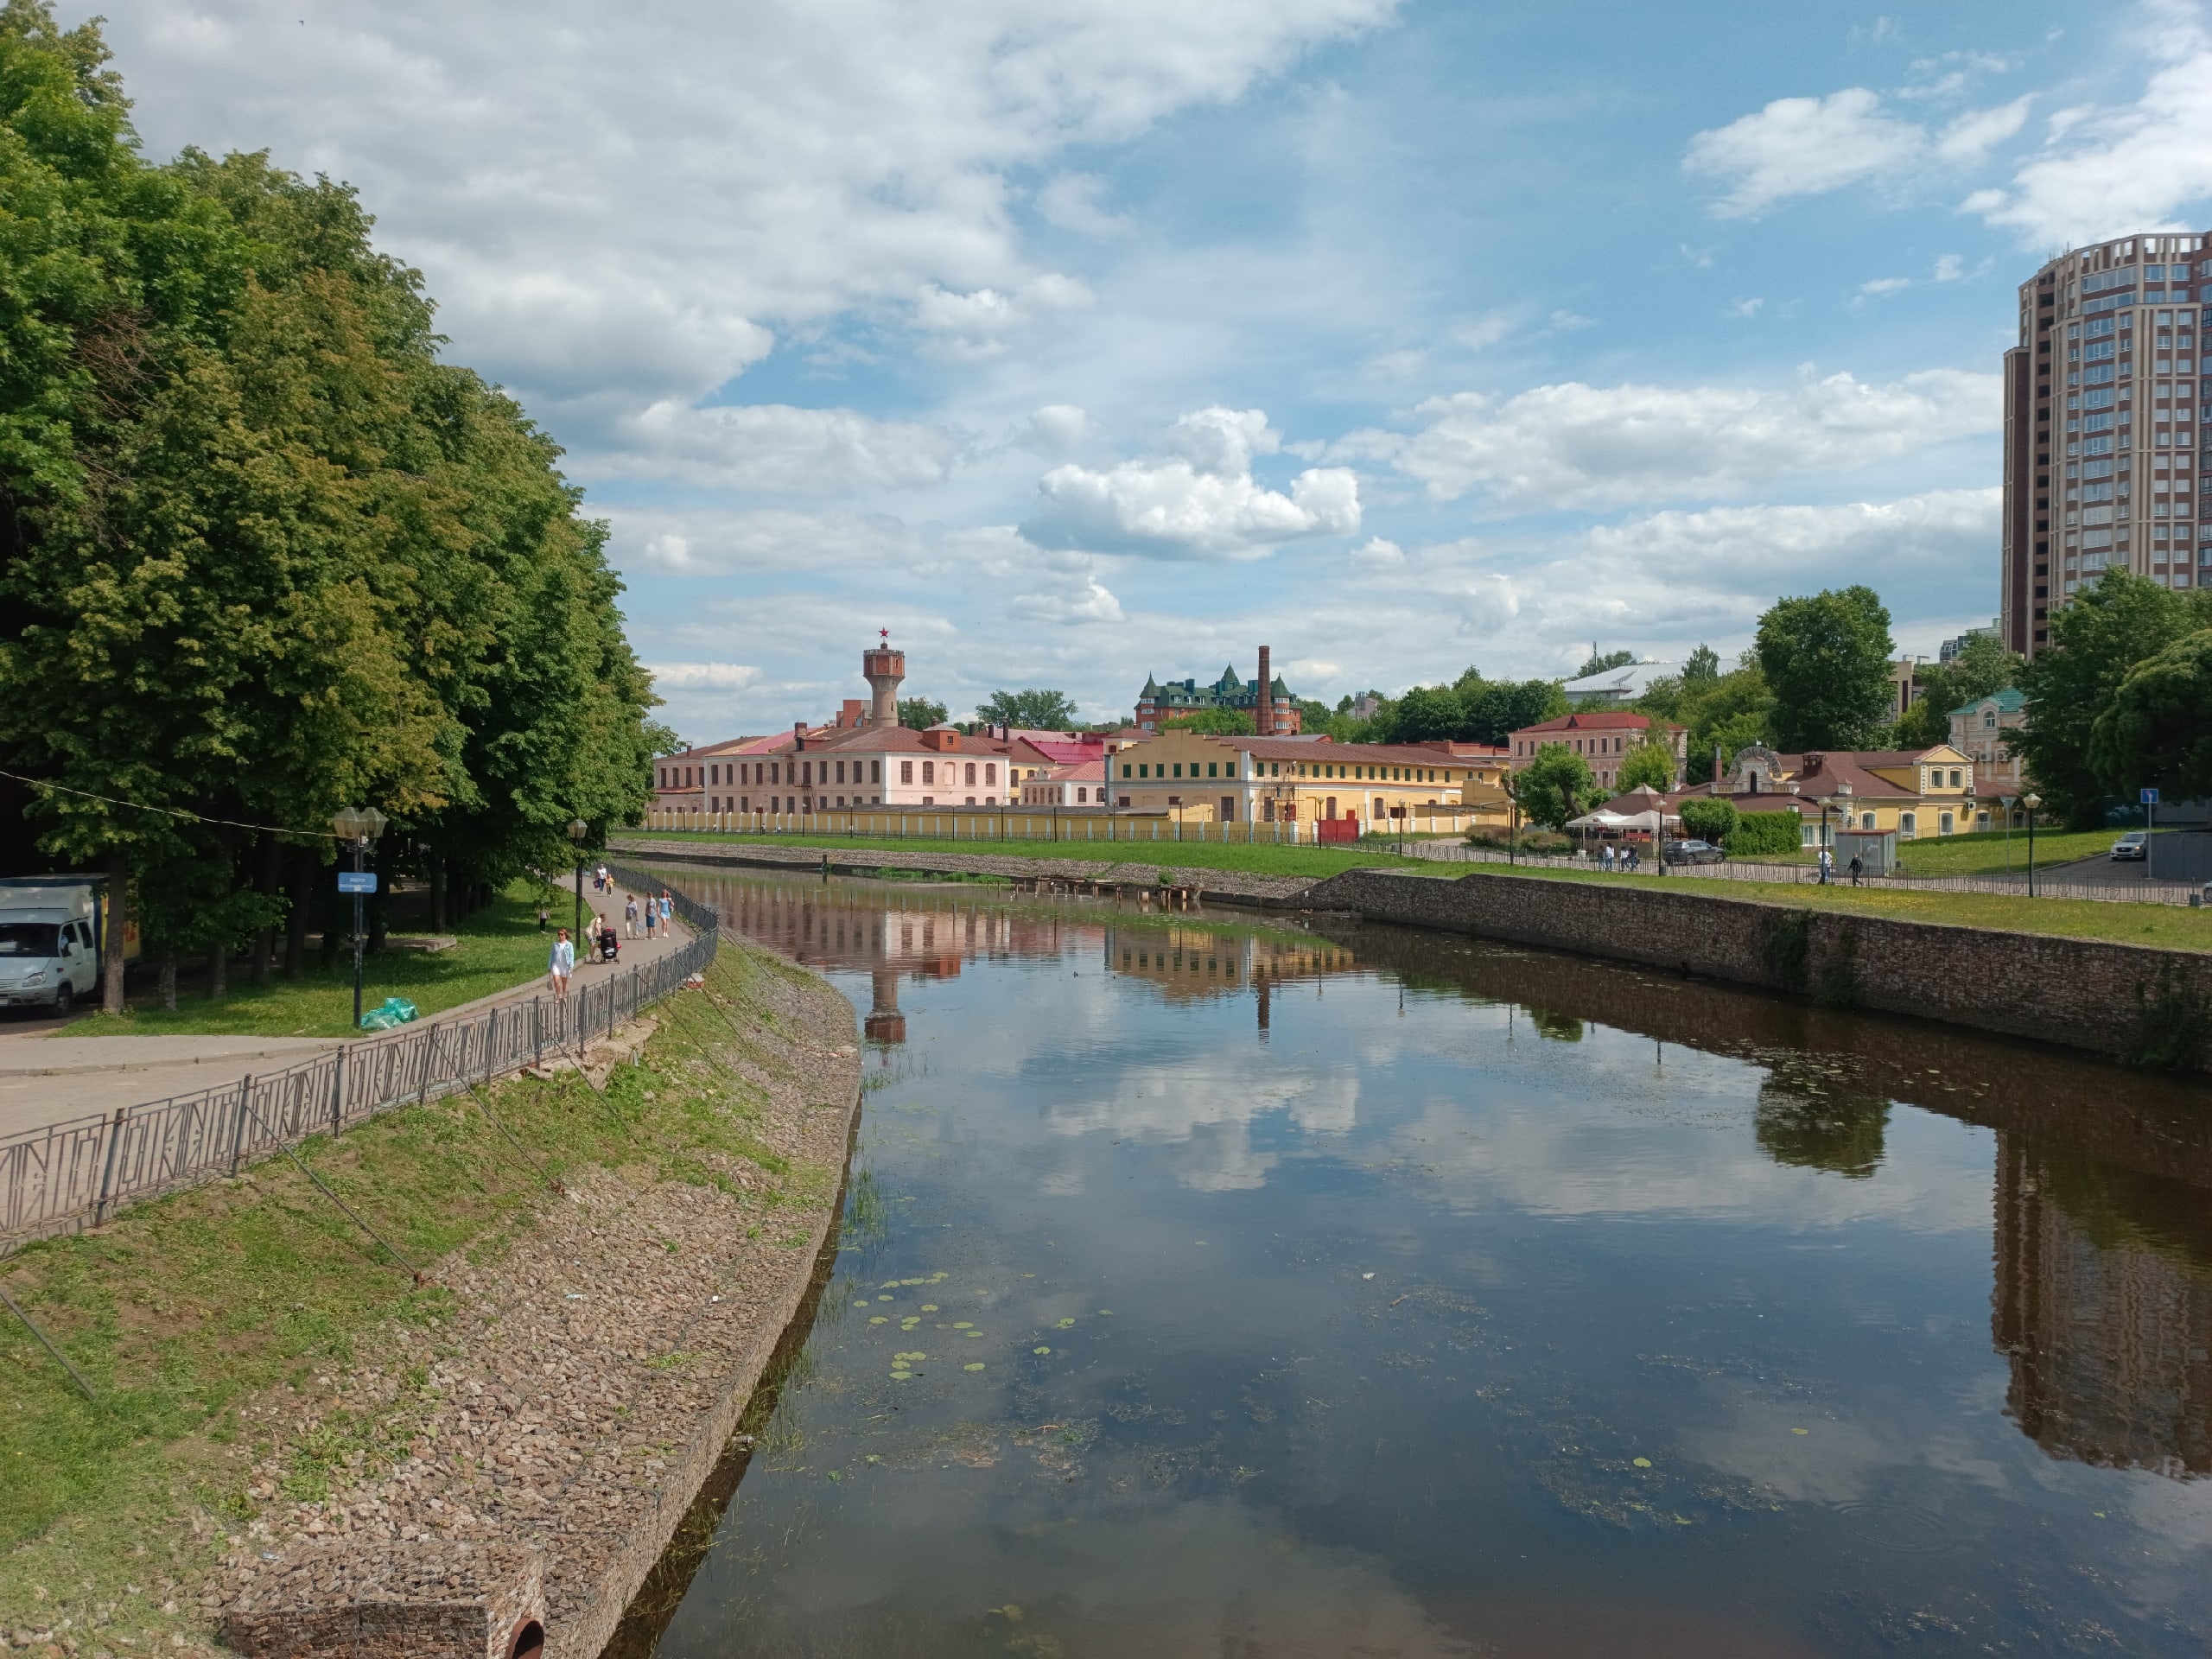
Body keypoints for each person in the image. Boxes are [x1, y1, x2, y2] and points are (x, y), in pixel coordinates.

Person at [548, 928, 574, 999]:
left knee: (564, 983)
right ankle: (557, 995)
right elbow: (551, 955)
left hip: (565, 966)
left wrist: (571, 966)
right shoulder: (555, 944)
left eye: (561, 934)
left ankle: (564, 995)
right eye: (559, 934)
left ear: (565, 935)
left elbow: (571, 955)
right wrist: (549, 966)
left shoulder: (569, 945)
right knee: (556, 981)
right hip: (556, 965)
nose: (560, 936)